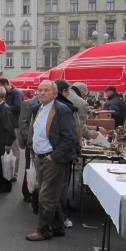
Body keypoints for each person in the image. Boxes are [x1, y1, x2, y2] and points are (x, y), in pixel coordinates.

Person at [25, 80, 78, 241]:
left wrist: (54, 155)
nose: (41, 93)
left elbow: (70, 137)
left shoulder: (62, 110)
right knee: (49, 194)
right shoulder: (38, 109)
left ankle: (43, 230)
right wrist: (33, 149)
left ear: (55, 94)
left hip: (53, 159)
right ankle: (57, 226)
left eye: (46, 90)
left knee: (46, 196)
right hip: (41, 157)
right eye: (39, 90)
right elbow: (36, 132)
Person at [55, 79, 83, 229]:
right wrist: (77, 151)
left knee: (52, 186)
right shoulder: (70, 108)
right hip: (62, 153)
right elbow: (76, 133)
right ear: (64, 92)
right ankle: (62, 216)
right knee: (63, 185)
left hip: (49, 153)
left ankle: (54, 215)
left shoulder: (43, 107)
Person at [0, 78, 23, 181]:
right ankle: (7, 173)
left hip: (14, 125)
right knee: (8, 150)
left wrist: (3, 108)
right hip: (8, 124)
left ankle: (14, 174)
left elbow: (18, 107)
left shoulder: (16, 93)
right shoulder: (7, 94)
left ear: (6, 84)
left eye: (0, 87)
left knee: (14, 150)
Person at [0, 87, 16, 193]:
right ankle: (0, 181)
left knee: (4, 164)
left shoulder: (5, 109)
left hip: (2, 141)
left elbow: (9, 127)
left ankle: (6, 185)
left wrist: (8, 143)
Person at [18, 93, 40, 204]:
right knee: (29, 166)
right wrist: (28, 139)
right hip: (31, 141)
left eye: (46, 90)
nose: (43, 92)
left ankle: (37, 193)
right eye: (41, 90)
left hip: (43, 143)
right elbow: (22, 122)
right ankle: (27, 191)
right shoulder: (28, 104)